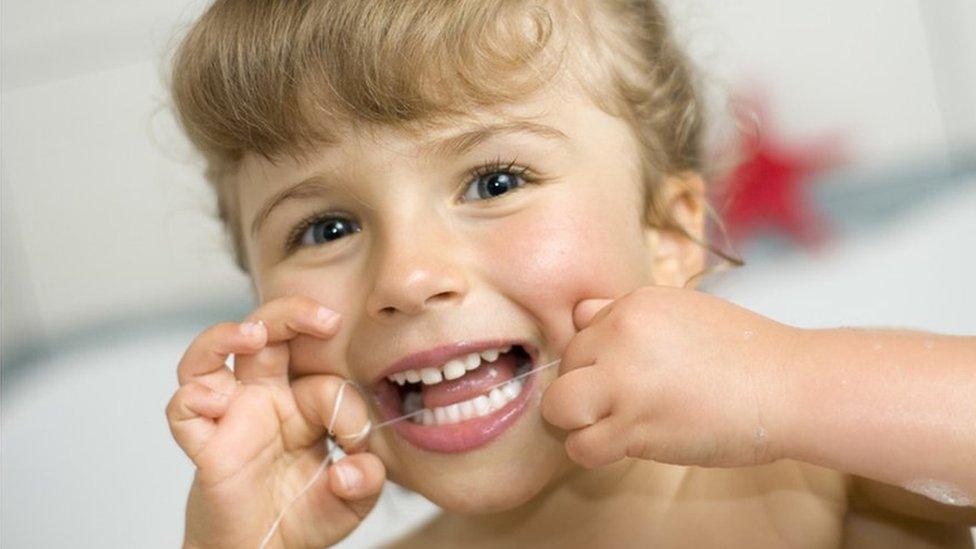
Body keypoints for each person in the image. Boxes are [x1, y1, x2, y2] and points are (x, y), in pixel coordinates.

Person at [163, 1, 976, 546]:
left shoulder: (830, 476)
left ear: (670, 231)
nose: (407, 278)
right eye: (326, 227)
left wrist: (790, 386)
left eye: (495, 182)